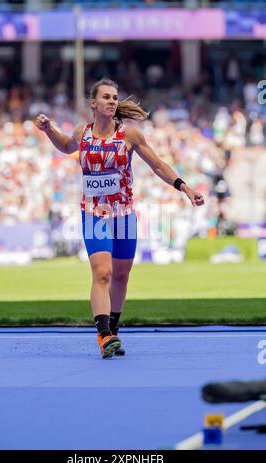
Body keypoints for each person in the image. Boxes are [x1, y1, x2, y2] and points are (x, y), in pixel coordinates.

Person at [35, 78, 204, 359]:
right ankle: (103, 336)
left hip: (124, 215)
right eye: (106, 97)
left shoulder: (130, 136)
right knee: (103, 273)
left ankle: (112, 332)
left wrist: (185, 187)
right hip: (94, 214)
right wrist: (48, 128)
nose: (112, 101)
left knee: (122, 275)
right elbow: (65, 146)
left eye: (115, 98)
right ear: (93, 103)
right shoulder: (83, 133)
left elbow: (158, 165)